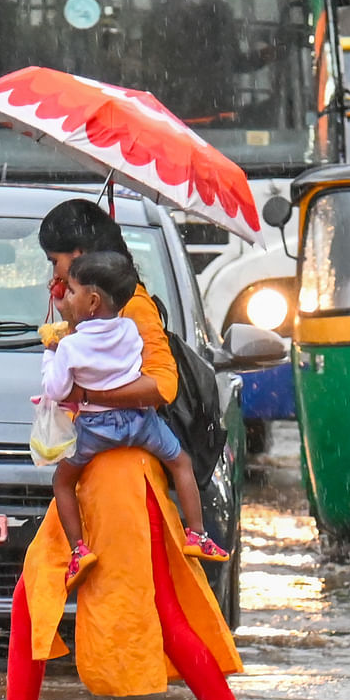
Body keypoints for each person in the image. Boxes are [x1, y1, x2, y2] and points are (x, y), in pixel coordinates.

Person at [0, 198, 275, 700]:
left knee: (163, 613)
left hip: (123, 480)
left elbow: (160, 385)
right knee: (34, 595)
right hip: (96, 475)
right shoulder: (91, 309)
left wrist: (87, 398)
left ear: (86, 257)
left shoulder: (134, 306)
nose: (55, 273)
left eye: (58, 259)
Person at [40, 249, 227, 590]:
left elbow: (57, 389)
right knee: (180, 462)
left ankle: (78, 550)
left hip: (95, 430)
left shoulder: (70, 346)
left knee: (63, 482)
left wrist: (51, 354)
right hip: (140, 423)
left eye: (71, 291)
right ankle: (198, 534)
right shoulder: (129, 327)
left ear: (92, 300)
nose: (65, 297)